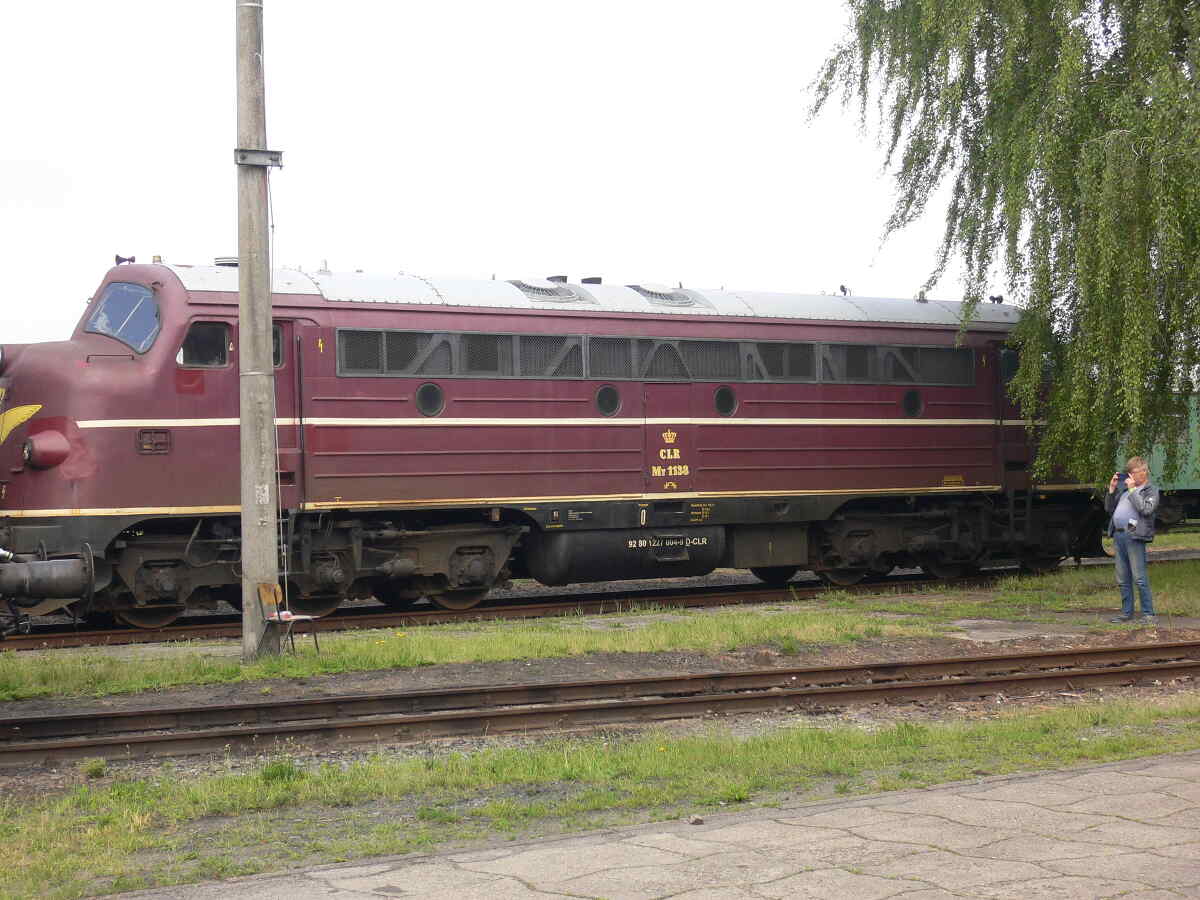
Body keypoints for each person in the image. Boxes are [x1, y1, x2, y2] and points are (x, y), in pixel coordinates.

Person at [1105, 456, 1159, 624]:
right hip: (1119, 535)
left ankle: (1148, 614)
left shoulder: (1151, 491)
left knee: (1139, 578)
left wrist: (1133, 490)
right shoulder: (1124, 491)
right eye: (1130, 473)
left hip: (1134, 535)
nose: (1131, 476)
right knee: (1122, 579)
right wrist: (1112, 490)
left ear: (1144, 472)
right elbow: (1109, 509)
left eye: (1134, 472)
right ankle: (1126, 613)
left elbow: (1146, 510)